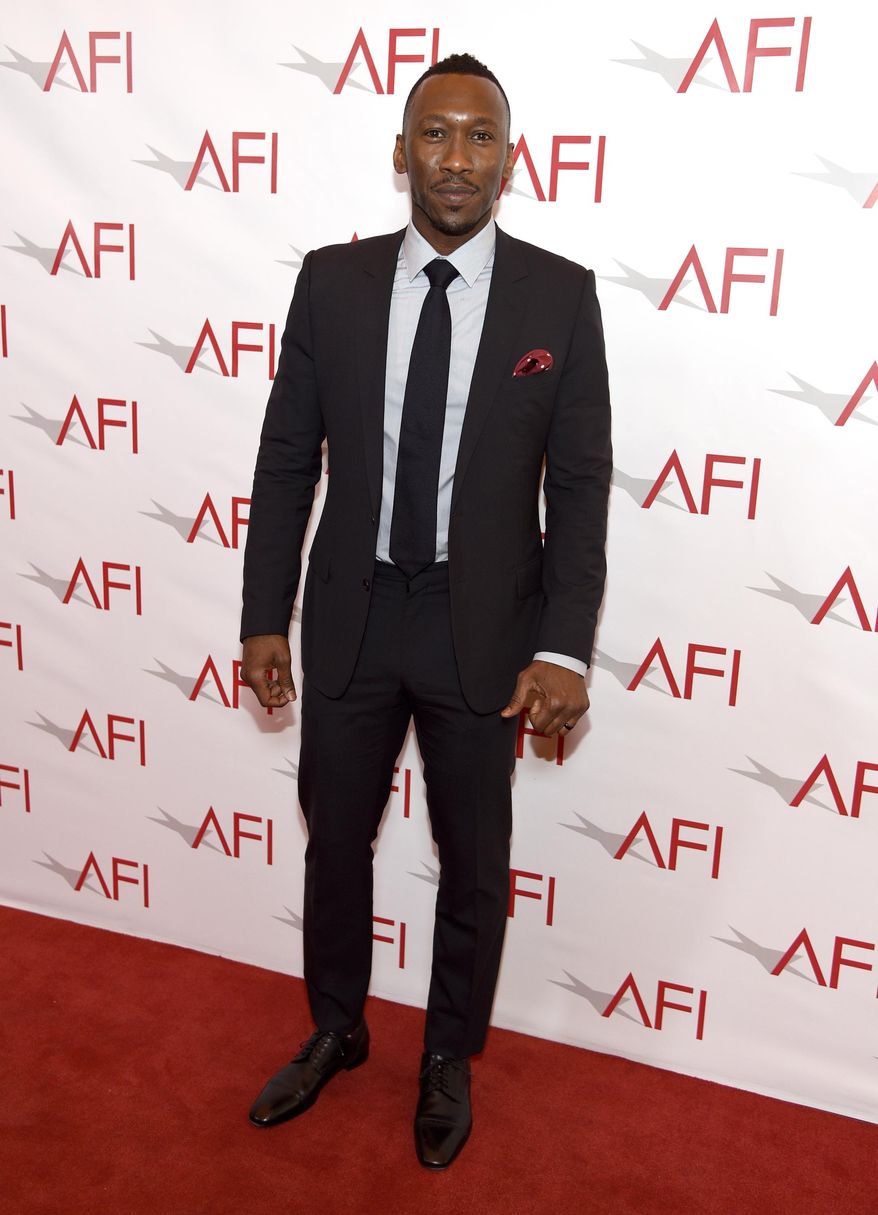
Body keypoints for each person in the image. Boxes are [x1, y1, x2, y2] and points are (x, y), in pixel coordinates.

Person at [239, 52, 611, 1170]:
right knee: (334, 842)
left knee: (474, 861)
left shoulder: (559, 294)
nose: (455, 158)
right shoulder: (330, 281)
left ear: (509, 159)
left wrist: (560, 645)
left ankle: (447, 1053)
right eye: (435, 135)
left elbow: (580, 482)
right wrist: (266, 615)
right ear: (401, 152)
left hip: (481, 630)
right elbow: (285, 459)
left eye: (478, 137)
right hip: (353, 614)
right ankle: (337, 1028)